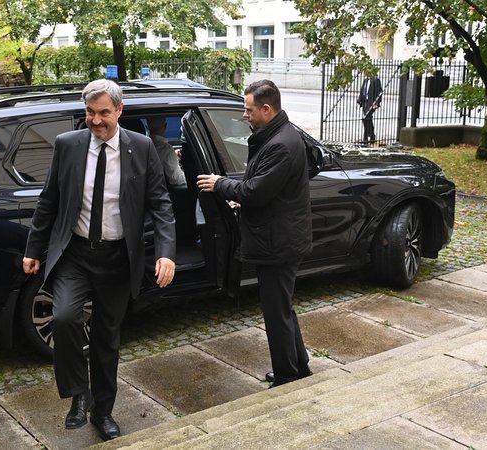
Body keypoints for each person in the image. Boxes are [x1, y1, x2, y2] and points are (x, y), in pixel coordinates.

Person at [22, 79, 176, 441]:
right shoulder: (68, 145)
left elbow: (162, 204)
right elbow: (49, 200)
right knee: (63, 318)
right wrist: (33, 248)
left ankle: (102, 411)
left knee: (107, 339)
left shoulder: (141, 148)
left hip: (118, 259)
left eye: (104, 112)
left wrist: (166, 253)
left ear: (119, 111)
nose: (96, 120)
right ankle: (79, 393)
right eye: (90, 112)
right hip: (75, 253)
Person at [196, 79, 312, 388]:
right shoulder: (278, 136)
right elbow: (263, 188)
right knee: (282, 307)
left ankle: (287, 375)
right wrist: (245, 196)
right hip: (280, 236)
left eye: (249, 110)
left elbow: (255, 190)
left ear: (266, 108)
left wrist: (220, 184)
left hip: (278, 242)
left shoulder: (280, 145)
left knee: (276, 312)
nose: (245, 115)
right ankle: (298, 366)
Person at [147, 116, 186, 188]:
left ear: (147, 127)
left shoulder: (142, 146)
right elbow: (176, 179)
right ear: (165, 126)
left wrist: (173, 157)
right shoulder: (166, 150)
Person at [357, 75, 382, 144]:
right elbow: (362, 91)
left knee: (367, 118)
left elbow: (379, 92)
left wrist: (376, 103)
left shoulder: (376, 80)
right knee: (367, 119)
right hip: (365, 102)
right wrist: (359, 101)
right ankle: (371, 137)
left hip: (372, 103)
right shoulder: (365, 80)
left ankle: (366, 138)